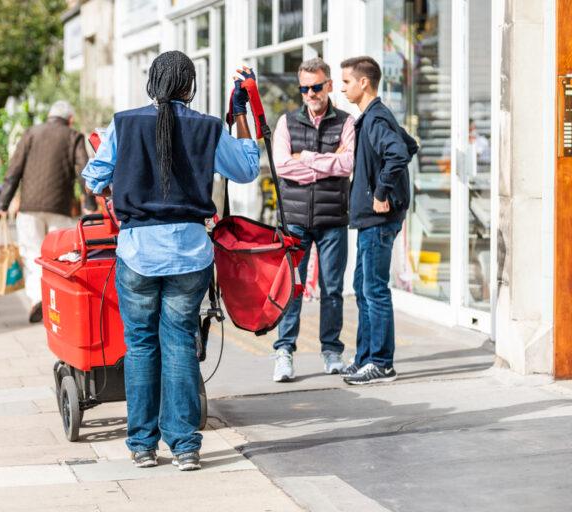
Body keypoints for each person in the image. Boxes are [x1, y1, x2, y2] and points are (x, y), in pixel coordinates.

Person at [82, 51, 259, 471]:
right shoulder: (208, 128)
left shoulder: (123, 123)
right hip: (189, 252)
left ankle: (142, 445)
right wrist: (242, 119)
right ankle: (185, 447)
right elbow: (248, 169)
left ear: (152, 82)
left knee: (141, 346)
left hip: (137, 252)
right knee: (180, 343)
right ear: (189, 86)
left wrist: (115, 195)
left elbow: (93, 176)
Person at [270, 58, 355, 382]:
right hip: (295, 219)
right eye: (304, 88)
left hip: (333, 217)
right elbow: (281, 166)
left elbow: (347, 165)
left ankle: (332, 351)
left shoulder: (346, 122)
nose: (310, 94)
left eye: (316, 87)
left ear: (329, 85)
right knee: (291, 288)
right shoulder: (286, 122)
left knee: (332, 288)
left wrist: (304, 158)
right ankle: (284, 352)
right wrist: (327, 161)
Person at [339, 56, 418, 385]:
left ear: (363, 83)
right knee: (362, 288)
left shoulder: (375, 118)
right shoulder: (373, 116)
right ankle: (364, 359)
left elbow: (399, 153)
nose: (342, 88)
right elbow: (409, 145)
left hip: (377, 220)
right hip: (369, 221)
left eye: (345, 82)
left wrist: (382, 192)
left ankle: (382, 363)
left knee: (374, 290)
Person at [0, 100, 88, 323]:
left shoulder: (30, 133)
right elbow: (84, 171)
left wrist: (3, 203)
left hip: (29, 207)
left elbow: (14, 170)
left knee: (32, 253)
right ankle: (57, 301)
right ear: (70, 119)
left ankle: (38, 298)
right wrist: (91, 204)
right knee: (60, 257)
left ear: (49, 116)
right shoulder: (73, 136)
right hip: (60, 206)